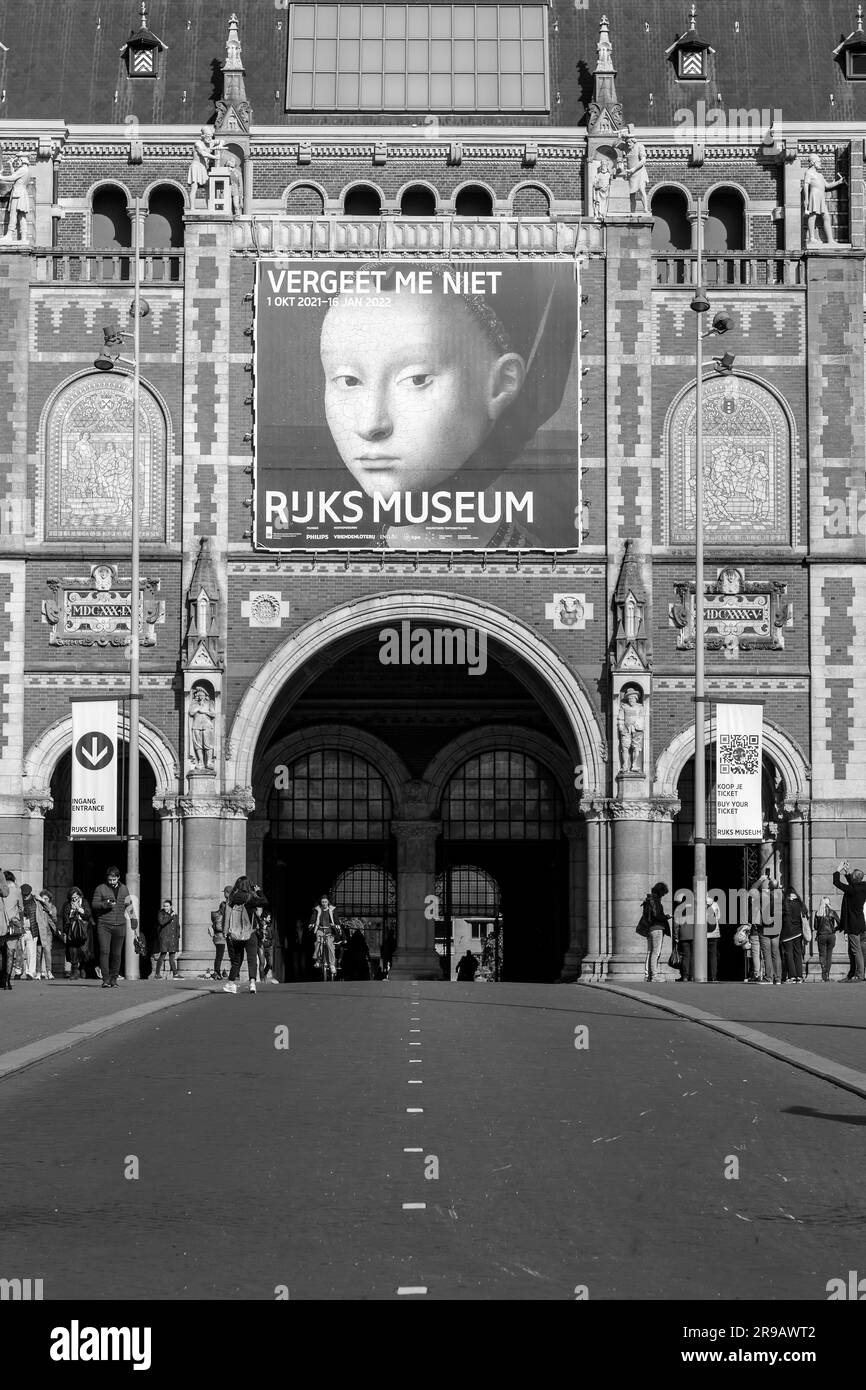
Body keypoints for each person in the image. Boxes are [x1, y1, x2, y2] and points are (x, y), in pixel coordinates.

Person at [222, 876, 267, 995]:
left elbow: (227, 915)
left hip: (237, 933)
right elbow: (265, 901)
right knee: (252, 958)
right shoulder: (251, 897)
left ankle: (231, 984)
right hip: (250, 932)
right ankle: (252, 983)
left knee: (237, 959)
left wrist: (225, 931)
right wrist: (258, 891)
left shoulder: (232, 898)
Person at [91, 866, 132, 989]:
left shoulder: (124, 889)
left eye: (114, 879)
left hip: (120, 925)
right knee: (104, 952)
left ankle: (114, 979)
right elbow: (94, 904)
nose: (112, 882)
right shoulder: (100, 888)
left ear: (118, 878)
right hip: (104, 925)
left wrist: (134, 925)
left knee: (117, 954)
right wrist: (105, 905)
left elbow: (129, 906)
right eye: (110, 879)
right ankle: (105, 979)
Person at [832, 860, 866, 981]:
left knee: (855, 950)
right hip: (861, 923)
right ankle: (852, 974)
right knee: (857, 950)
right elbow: (854, 885)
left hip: (853, 924)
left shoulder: (853, 890)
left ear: (854, 878)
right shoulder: (863, 887)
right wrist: (848, 873)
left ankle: (860, 975)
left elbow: (836, 882)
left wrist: (838, 869)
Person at [754, 869, 782, 984]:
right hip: (776, 926)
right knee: (776, 953)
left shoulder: (762, 896)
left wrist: (760, 880)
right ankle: (778, 978)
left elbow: (751, 890)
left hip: (764, 928)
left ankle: (769, 978)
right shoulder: (780, 896)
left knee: (767, 953)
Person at [640, 881, 670, 983]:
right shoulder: (656, 901)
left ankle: (647, 975)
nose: (663, 895)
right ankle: (654, 976)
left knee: (650, 952)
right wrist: (666, 917)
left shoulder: (649, 900)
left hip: (650, 928)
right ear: (661, 892)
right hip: (657, 928)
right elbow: (657, 915)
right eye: (663, 893)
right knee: (655, 953)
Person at [0, 867, 25, 991]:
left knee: (1, 953)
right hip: (13, 926)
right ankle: (8, 981)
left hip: (1, 924)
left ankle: (1, 979)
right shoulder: (17, 890)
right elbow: (21, 907)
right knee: (10, 953)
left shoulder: (2, 889)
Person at [62, 886, 94, 981]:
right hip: (72, 931)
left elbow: (88, 915)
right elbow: (65, 919)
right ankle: (74, 971)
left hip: (84, 930)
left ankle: (82, 967)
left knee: (84, 951)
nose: (74, 899)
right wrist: (65, 932)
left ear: (80, 896)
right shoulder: (67, 905)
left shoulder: (84, 903)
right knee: (73, 951)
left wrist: (79, 909)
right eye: (73, 898)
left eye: (76, 897)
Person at [780, 885, 808, 983]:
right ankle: (799, 976)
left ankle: (791, 976)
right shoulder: (800, 904)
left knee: (789, 954)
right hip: (798, 932)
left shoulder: (784, 903)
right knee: (798, 954)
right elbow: (806, 914)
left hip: (786, 933)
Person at [310, 895, 340, 982]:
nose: (324, 904)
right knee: (318, 942)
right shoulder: (317, 909)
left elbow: (336, 918)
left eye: (325, 902)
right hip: (320, 929)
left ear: (328, 902)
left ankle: (332, 965)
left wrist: (337, 924)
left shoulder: (332, 909)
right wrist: (312, 923)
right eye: (322, 902)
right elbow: (313, 917)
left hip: (329, 930)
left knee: (330, 945)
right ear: (321, 902)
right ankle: (318, 960)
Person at [33, 888, 58, 980]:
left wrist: (50, 913)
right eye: (43, 898)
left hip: (48, 932)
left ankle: (49, 971)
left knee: (47, 952)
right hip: (39, 932)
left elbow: (55, 919)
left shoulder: (52, 907)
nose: (45, 900)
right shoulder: (38, 906)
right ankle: (38, 972)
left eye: (46, 899)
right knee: (39, 952)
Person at [814, 895, 840, 983]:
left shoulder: (817, 913)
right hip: (831, 935)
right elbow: (840, 923)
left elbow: (815, 927)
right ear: (829, 903)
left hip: (821, 936)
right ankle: (827, 975)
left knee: (822, 955)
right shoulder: (832, 912)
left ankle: (823, 975)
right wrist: (834, 929)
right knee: (829, 956)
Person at [154, 899, 180, 979]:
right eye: (164, 906)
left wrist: (178, 935)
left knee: (172, 956)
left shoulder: (175, 914)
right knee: (163, 955)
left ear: (170, 906)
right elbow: (162, 922)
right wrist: (170, 917)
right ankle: (157, 974)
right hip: (164, 937)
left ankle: (175, 974)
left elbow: (177, 926)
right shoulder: (161, 914)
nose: (165, 907)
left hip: (173, 938)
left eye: (167, 906)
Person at [209, 886, 231, 980]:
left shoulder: (218, 914)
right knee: (219, 955)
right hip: (220, 937)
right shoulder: (220, 916)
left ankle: (217, 972)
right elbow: (218, 927)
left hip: (219, 937)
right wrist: (225, 932)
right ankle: (216, 972)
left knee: (220, 955)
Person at [19, 881, 39, 979]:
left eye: (27, 895)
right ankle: (18, 971)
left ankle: (30, 973)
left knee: (31, 952)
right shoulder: (18, 902)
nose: (25, 897)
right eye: (24, 895)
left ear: (30, 893)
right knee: (19, 951)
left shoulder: (35, 902)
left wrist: (42, 900)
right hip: (21, 930)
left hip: (32, 930)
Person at [674, 900, 694, 982]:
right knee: (693, 957)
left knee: (686, 957)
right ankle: (692, 976)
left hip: (683, 935)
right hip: (694, 936)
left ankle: (685, 976)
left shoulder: (679, 910)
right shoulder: (695, 910)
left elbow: (676, 925)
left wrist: (676, 936)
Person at [706, 895, 721, 983]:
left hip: (703, 934)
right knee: (713, 956)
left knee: (700, 955)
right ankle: (713, 976)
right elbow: (718, 918)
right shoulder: (715, 904)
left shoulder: (700, 905)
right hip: (714, 933)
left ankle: (701, 974)